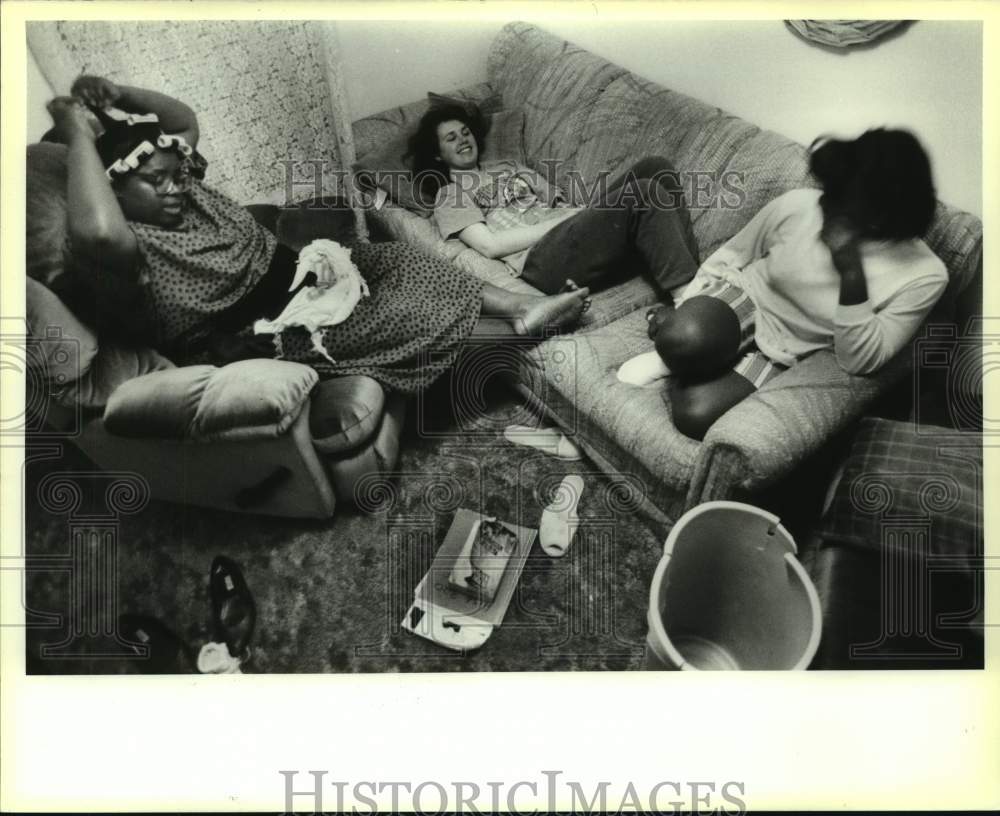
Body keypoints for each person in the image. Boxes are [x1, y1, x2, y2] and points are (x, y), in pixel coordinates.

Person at [46, 77, 591, 396]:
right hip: (260, 328)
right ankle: (525, 334)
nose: (173, 187)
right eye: (153, 180)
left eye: (174, 173)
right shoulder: (122, 245)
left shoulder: (187, 191)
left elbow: (183, 121)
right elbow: (95, 230)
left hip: (304, 273)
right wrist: (75, 131)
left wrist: (119, 94)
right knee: (401, 316)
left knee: (403, 260)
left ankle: (520, 307)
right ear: (113, 191)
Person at [619, 128, 948, 440]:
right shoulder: (800, 204)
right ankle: (683, 347)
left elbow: (859, 361)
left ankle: (693, 357)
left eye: (844, 200)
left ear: (882, 214)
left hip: (790, 348)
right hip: (745, 299)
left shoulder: (925, 275)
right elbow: (731, 256)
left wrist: (851, 272)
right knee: (682, 337)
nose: (827, 204)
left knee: (695, 416)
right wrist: (686, 305)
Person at [409, 104, 701, 301]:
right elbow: (490, 245)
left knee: (655, 168)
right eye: (451, 138)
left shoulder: (508, 166)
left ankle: (697, 277)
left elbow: (561, 202)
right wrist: (565, 219)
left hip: (571, 236)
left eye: (465, 132)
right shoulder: (449, 195)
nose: (463, 140)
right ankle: (686, 299)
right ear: (437, 154)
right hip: (541, 260)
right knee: (643, 191)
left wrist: (582, 214)